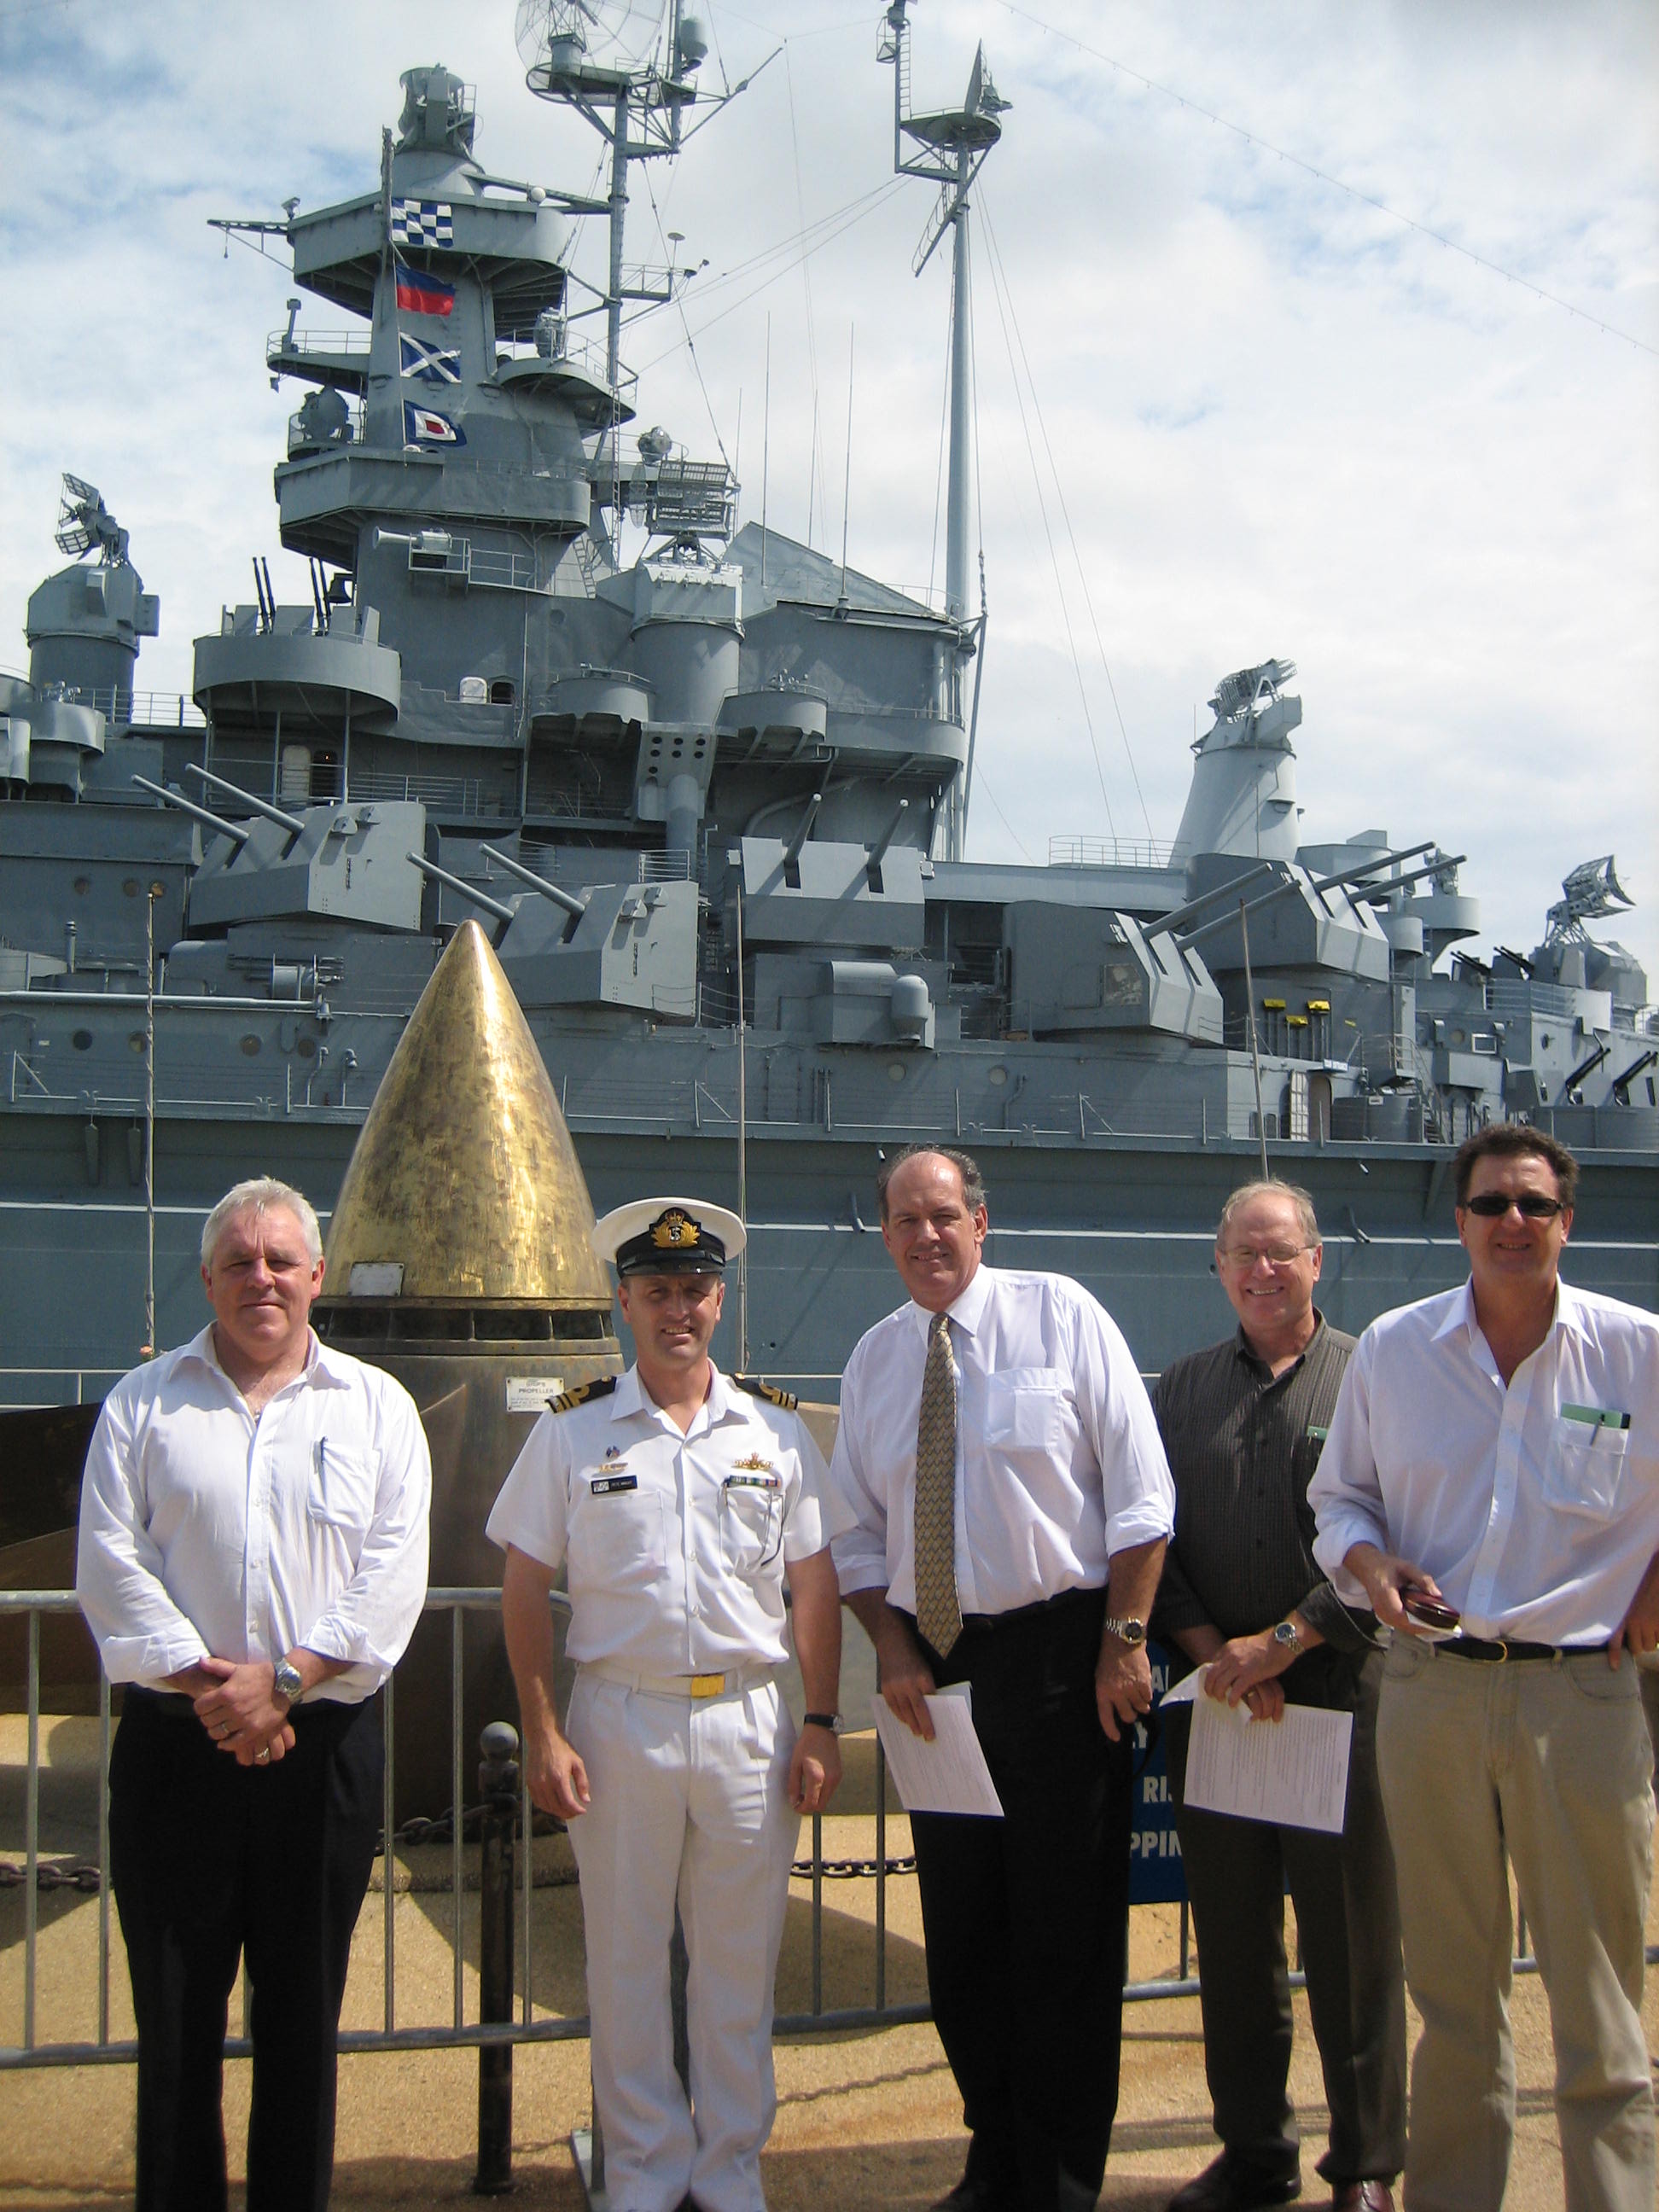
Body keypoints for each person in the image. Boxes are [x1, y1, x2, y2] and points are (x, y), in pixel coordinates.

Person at [1310, 1126, 1659, 2212]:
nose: (1515, 1222)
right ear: (1458, 1220)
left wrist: (1652, 1608)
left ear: (1568, 1221)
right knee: (1453, 2001)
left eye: (1536, 1205)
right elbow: (1340, 1498)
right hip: (1434, 1692)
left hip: (1582, 1697)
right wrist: (1368, 1564)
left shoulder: (1639, 1350)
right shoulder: (1396, 1351)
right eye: (1493, 1203)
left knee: (1600, 2006)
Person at [829, 1144, 1174, 2212]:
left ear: (982, 1222)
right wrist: (889, 1648)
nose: (926, 1238)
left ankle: (1062, 2182)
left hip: (1066, 1661)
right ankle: (996, 2161)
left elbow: (1141, 1494)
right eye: (904, 1221)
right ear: (883, 1235)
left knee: (1064, 1939)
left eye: (944, 1216)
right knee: (966, 1940)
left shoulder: (1060, 1317)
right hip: (938, 1673)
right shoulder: (877, 1359)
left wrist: (1125, 1638)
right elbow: (856, 1535)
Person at [75, 1176, 431, 2212]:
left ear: (316, 1276)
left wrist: (286, 1683)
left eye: (281, 1260)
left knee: (300, 2020)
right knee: (175, 2020)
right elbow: (110, 1562)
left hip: (317, 1751)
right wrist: (217, 1687)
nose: (261, 1278)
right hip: (176, 1751)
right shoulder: (143, 1406)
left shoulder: (376, 1409)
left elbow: (391, 1573)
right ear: (208, 1278)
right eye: (240, 1261)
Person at [489, 1196, 843, 2212]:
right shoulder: (572, 1433)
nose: (676, 1309)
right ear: (624, 1303)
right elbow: (523, 1584)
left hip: (746, 1720)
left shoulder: (774, 1431)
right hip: (621, 1718)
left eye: (693, 1291)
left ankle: (730, 2173)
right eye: (656, 1292)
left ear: (719, 1301)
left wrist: (819, 1719)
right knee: (627, 1964)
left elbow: (812, 1585)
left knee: (738, 1970)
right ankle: (642, 2173)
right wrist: (545, 1727)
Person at [1152, 1181, 1405, 2212]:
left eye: (1282, 1253)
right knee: (1235, 1942)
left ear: (1315, 1261)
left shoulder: (1372, 1379)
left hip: (1342, 1694)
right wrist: (1218, 1652)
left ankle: (1367, 2166)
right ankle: (1254, 2153)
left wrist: (1284, 1646)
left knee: (1352, 1946)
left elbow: (1398, 1531)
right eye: (1243, 1255)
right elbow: (1145, 1532)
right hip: (1222, 1702)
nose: (1263, 1272)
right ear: (1219, 1267)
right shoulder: (1179, 1390)